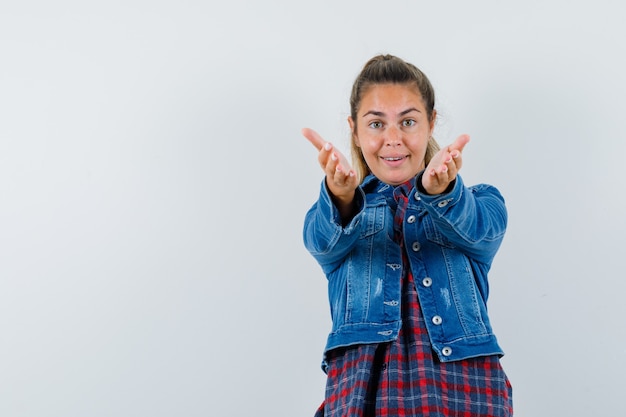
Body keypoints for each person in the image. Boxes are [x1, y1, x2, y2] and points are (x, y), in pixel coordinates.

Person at [302, 54, 513, 417]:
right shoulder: (340, 216)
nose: (393, 139)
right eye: (376, 124)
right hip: (363, 394)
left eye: (408, 121)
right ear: (354, 129)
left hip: (465, 394)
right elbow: (321, 240)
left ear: (431, 123)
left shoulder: (479, 202)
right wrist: (340, 197)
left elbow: (482, 230)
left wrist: (441, 195)